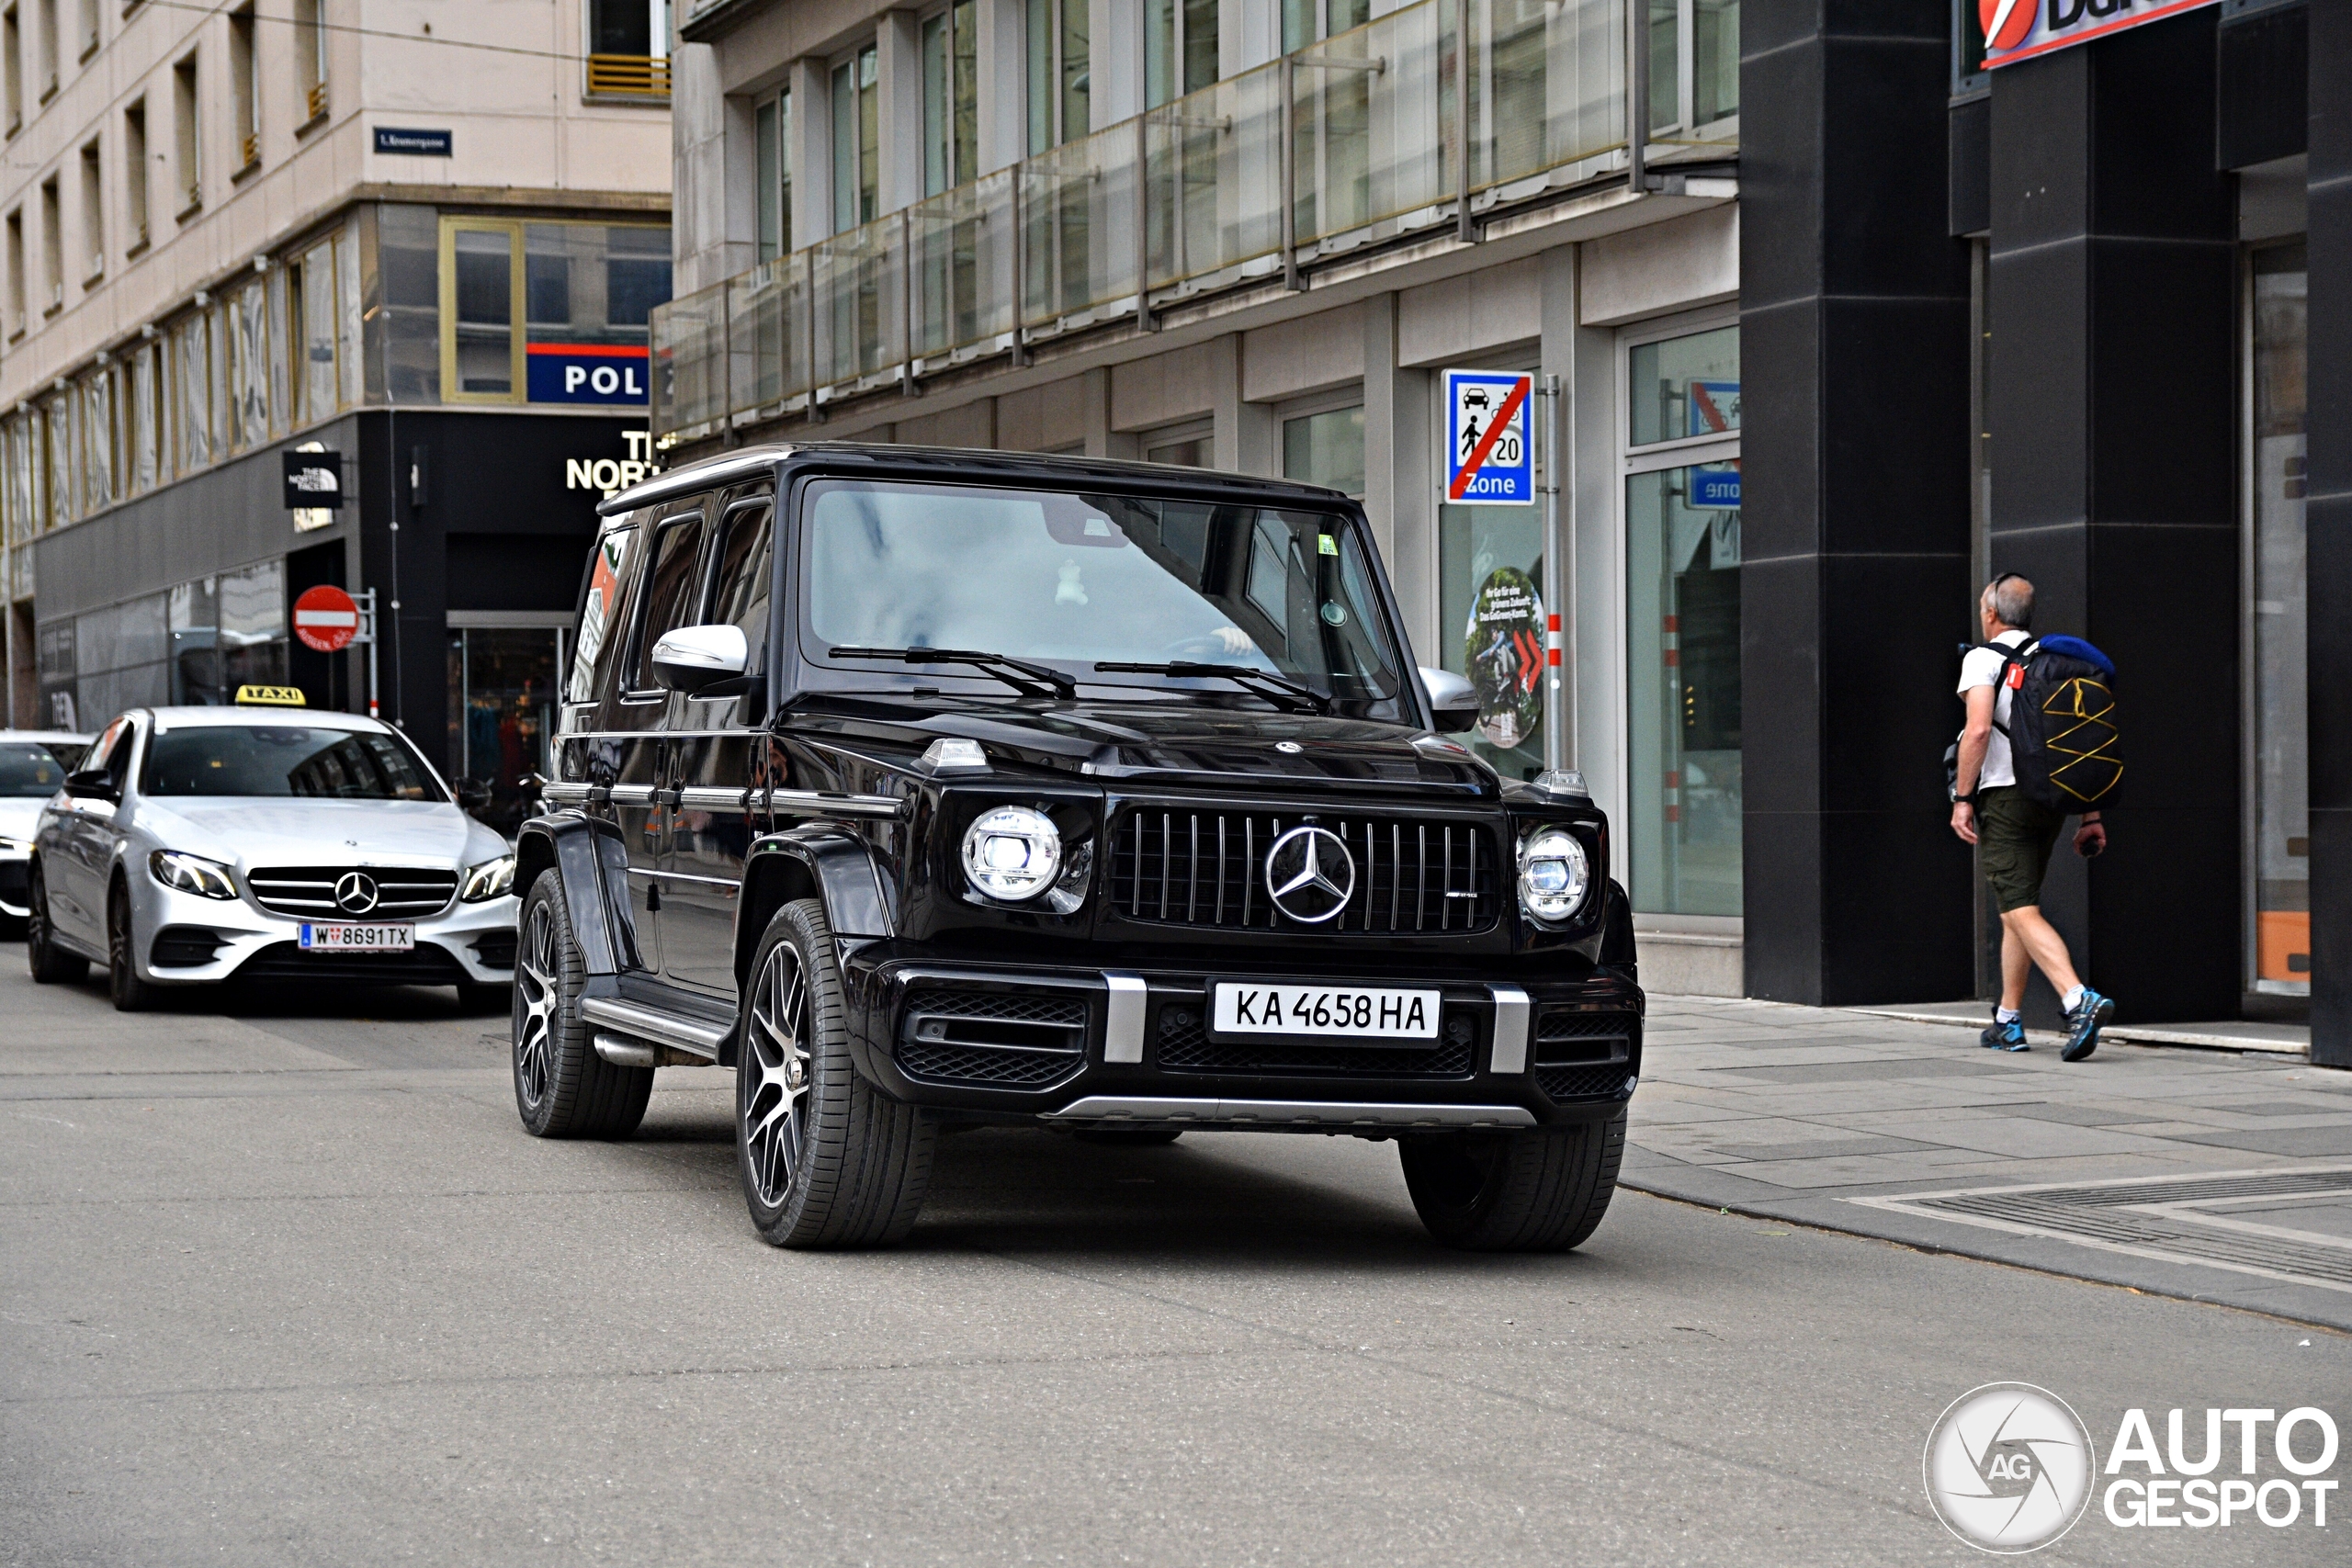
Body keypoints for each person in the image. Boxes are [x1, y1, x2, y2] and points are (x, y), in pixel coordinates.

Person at [1949, 574, 2113, 1062]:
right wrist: (2091, 813)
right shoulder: (2058, 660)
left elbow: (1977, 731)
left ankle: (2076, 999)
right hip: (2054, 798)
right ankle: (2008, 1020)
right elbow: (2082, 738)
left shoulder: (1982, 658)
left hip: (2004, 798)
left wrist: (1962, 797)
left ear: (1992, 614)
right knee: (2016, 907)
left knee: (2020, 907)